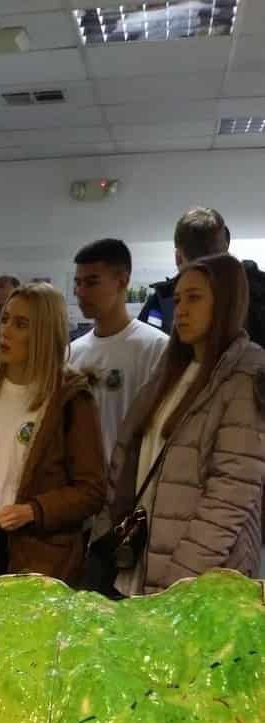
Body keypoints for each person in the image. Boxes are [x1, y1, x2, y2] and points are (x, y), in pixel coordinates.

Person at [95, 253, 265, 596]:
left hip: (194, 580)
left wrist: (178, 586)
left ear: (226, 301)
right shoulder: (171, 369)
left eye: (195, 298)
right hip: (141, 562)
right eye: (178, 300)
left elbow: (229, 498)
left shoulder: (246, 375)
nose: (181, 310)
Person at [0, 281, 106, 584]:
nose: (6, 331)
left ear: (44, 332)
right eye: (5, 319)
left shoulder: (70, 397)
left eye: (21, 324)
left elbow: (90, 490)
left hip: (41, 559)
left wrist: (34, 511)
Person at [70, 239, 168, 462]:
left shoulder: (155, 348)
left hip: (134, 478)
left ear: (122, 281)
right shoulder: (73, 353)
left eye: (92, 282)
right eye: (78, 283)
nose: (81, 292)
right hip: (83, 478)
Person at [140, 208, 265, 346]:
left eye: (194, 297)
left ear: (178, 258)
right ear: (226, 250)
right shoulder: (257, 291)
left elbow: (145, 351)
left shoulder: (161, 302)